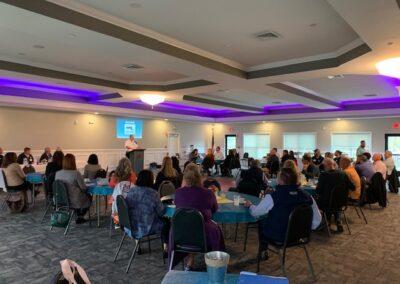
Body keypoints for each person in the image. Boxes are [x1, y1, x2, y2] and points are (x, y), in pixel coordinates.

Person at [245, 167, 321, 257]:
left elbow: (255, 213)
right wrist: (305, 229)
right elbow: (317, 220)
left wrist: (250, 205)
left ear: (280, 180)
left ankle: (263, 251)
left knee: (262, 220)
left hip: (279, 236)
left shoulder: (274, 196)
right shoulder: (308, 196)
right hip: (301, 236)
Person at [173, 163, 225, 270]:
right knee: (215, 229)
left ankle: (189, 260)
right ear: (199, 176)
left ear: (185, 177)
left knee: (191, 227)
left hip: (181, 232)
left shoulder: (178, 193)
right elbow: (214, 209)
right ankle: (216, 264)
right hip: (203, 234)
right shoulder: (208, 193)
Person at [126, 170, 169, 255]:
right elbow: (161, 212)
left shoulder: (131, 191)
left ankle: (138, 246)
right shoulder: (153, 193)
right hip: (147, 227)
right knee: (167, 224)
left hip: (131, 225)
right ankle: (166, 249)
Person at [316, 158, 355, 233]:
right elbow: (352, 187)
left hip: (327, 203)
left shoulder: (323, 175)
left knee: (317, 200)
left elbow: (318, 191)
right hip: (342, 202)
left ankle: (325, 223)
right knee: (335, 203)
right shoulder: (343, 173)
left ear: (325, 166)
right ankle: (337, 220)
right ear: (334, 165)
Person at [55, 154, 91, 224]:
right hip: (75, 200)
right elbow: (83, 188)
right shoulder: (76, 173)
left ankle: (78, 214)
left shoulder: (58, 173)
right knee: (89, 196)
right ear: (73, 162)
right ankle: (80, 215)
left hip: (61, 199)